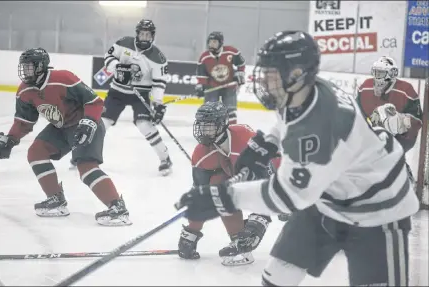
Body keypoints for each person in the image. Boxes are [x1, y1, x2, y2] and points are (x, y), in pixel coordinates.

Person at [177, 31, 420, 286]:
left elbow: (289, 195)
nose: (265, 78)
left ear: (296, 73)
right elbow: (286, 122)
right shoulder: (304, 91)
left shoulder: (318, 128)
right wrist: (265, 144)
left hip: (378, 209)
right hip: (328, 196)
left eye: (273, 72)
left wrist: (223, 197)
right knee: (277, 276)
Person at [0, 48, 131, 226]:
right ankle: (56, 199)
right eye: (23, 67)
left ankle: (117, 207)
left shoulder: (63, 79)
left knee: (86, 166)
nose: (25, 72)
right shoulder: (24, 91)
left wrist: (88, 123)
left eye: (29, 67)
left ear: (41, 67)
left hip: (85, 124)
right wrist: (10, 140)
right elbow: (23, 122)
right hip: (61, 127)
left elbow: (94, 102)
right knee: (36, 152)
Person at [177, 101, 280, 266]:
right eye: (201, 125)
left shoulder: (244, 137)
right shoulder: (201, 154)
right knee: (217, 187)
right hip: (243, 179)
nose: (203, 130)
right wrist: (191, 231)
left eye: (209, 126)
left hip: (279, 174)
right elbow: (202, 196)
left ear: (222, 124)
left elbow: (266, 175)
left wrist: (258, 222)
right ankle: (239, 240)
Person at [70, 19, 172, 176]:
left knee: (145, 125)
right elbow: (109, 56)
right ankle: (82, 155)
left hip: (140, 94)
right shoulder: (123, 42)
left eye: (148, 34)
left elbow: (159, 83)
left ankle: (165, 158)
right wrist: (117, 67)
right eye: (142, 34)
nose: (145, 37)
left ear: (152, 36)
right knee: (102, 123)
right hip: (117, 92)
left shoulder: (158, 58)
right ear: (137, 34)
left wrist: (157, 103)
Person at [356, 56, 423, 186]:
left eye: (380, 73)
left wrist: (401, 122)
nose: (377, 77)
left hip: (402, 137)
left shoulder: (407, 91)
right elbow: (357, 115)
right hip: (374, 132)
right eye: (375, 72)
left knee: (389, 154)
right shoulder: (365, 87)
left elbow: (418, 122)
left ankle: (405, 178)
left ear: (392, 75)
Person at [195, 31, 246, 125]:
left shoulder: (231, 51)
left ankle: (233, 132)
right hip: (212, 87)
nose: (211, 44)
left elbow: (241, 64)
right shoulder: (204, 57)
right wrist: (201, 86)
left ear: (221, 43)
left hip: (229, 86)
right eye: (210, 42)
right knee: (209, 112)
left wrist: (240, 73)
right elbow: (202, 75)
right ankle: (210, 134)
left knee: (230, 112)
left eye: (214, 42)